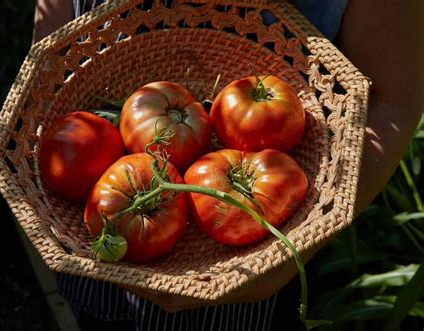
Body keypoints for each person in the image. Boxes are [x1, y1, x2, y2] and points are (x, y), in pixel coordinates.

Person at [33, 0, 424, 330]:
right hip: (94, 236)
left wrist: (284, 264)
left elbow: (392, 97)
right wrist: (47, 74)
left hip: (256, 272)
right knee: (100, 313)